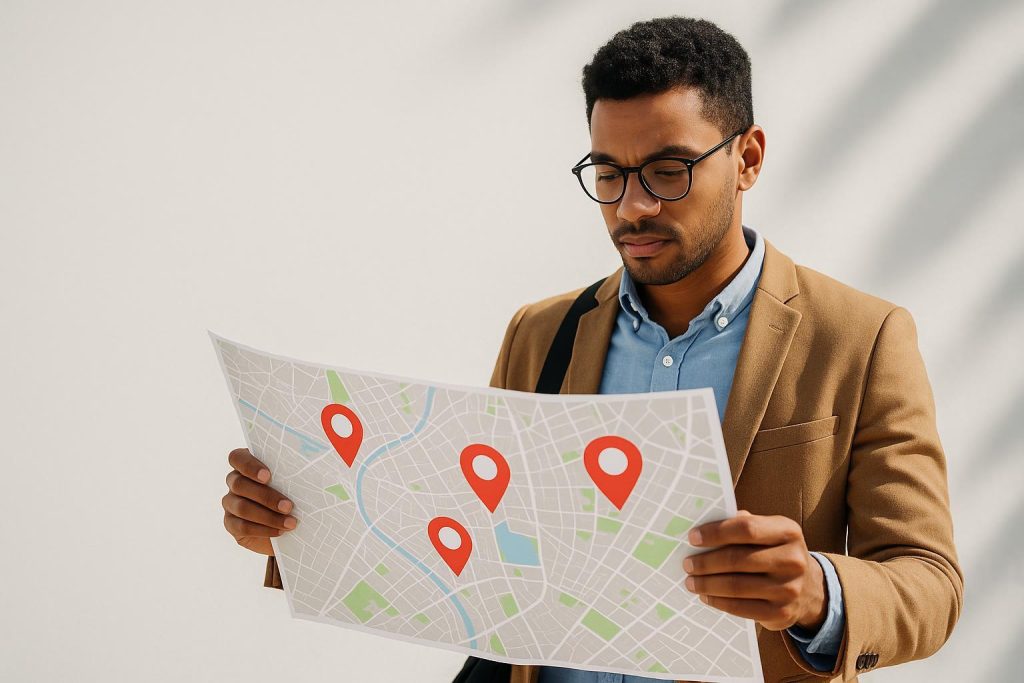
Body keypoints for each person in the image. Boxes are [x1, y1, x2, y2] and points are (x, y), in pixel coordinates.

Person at [221, 15, 963, 683]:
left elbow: (931, 582)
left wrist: (816, 591)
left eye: (668, 171)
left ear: (748, 158)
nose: (633, 205)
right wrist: (298, 525)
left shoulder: (862, 338)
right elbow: (476, 549)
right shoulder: (541, 334)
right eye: (608, 174)